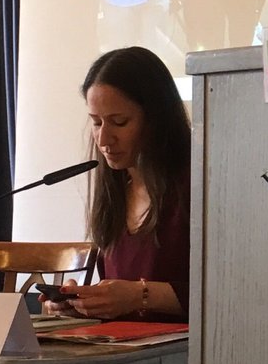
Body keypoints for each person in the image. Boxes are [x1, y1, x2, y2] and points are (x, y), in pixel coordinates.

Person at [44, 46, 191, 321]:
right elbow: (119, 301)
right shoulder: (115, 190)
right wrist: (82, 304)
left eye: (119, 122)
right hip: (122, 345)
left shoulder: (195, 186)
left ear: (156, 119)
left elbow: (228, 293)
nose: (103, 139)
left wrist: (140, 295)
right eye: (96, 122)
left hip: (187, 346)